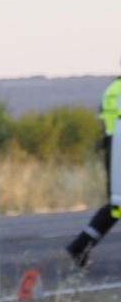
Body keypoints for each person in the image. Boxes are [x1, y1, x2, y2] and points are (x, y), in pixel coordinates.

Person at [66, 66, 121, 266]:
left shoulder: (112, 89)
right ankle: (79, 247)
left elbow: (104, 121)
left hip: (112, 147)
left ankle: (80, 246)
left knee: (116, 205)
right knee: (116, 205)